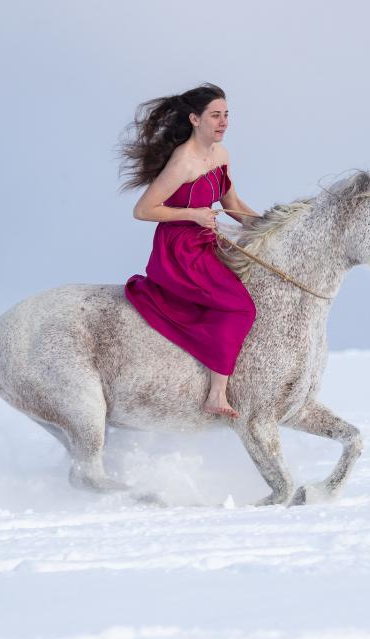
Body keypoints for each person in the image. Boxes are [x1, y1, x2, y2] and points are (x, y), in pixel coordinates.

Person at [119, 83, 260, 419]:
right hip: (179, 248)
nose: (224, 122)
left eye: (226, 115)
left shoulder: (220, 155)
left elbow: (233, 203)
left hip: (206, 239)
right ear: (195, 119)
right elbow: (143, 210)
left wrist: (269, 227)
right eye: (216, 115)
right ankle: (216, 394)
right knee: (239, 307)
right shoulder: (183, 161)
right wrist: (192, 214)